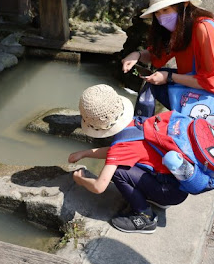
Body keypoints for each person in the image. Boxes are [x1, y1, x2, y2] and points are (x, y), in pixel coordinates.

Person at [68, 84, 189, 234]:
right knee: (123, 165)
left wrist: (81, 180)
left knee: (118, 172)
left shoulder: (121, 146)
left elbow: (99, 187)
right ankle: (155, 197)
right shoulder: (138, 123)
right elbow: (117, 152)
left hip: (169, 192)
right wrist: (86, 153)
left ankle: (145, 217)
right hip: (178, 183)